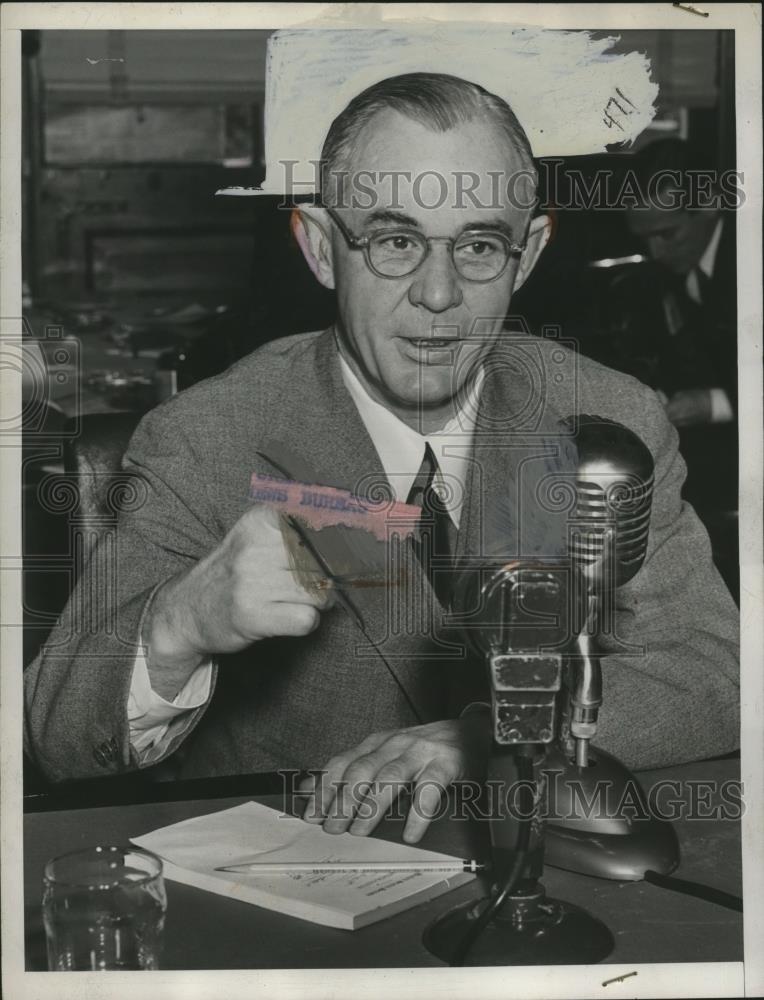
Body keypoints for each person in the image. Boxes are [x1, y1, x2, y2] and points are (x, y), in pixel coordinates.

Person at [24, 74, 739, 845]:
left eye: (479, 244)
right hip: (305, 910)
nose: (439, 293)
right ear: (322, 249)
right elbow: (56, 739)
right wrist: (180, 622)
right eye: (396, 241)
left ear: (526, 255)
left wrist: (485, 739)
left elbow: (716, 674)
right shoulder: (210, 434)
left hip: (547, 893)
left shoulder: (605, 419)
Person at [622, 138, 737, 428]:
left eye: (667, 234)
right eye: (644, 239)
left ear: (710, 203)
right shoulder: (673, 272)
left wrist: (714, 404)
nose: (655, 253)